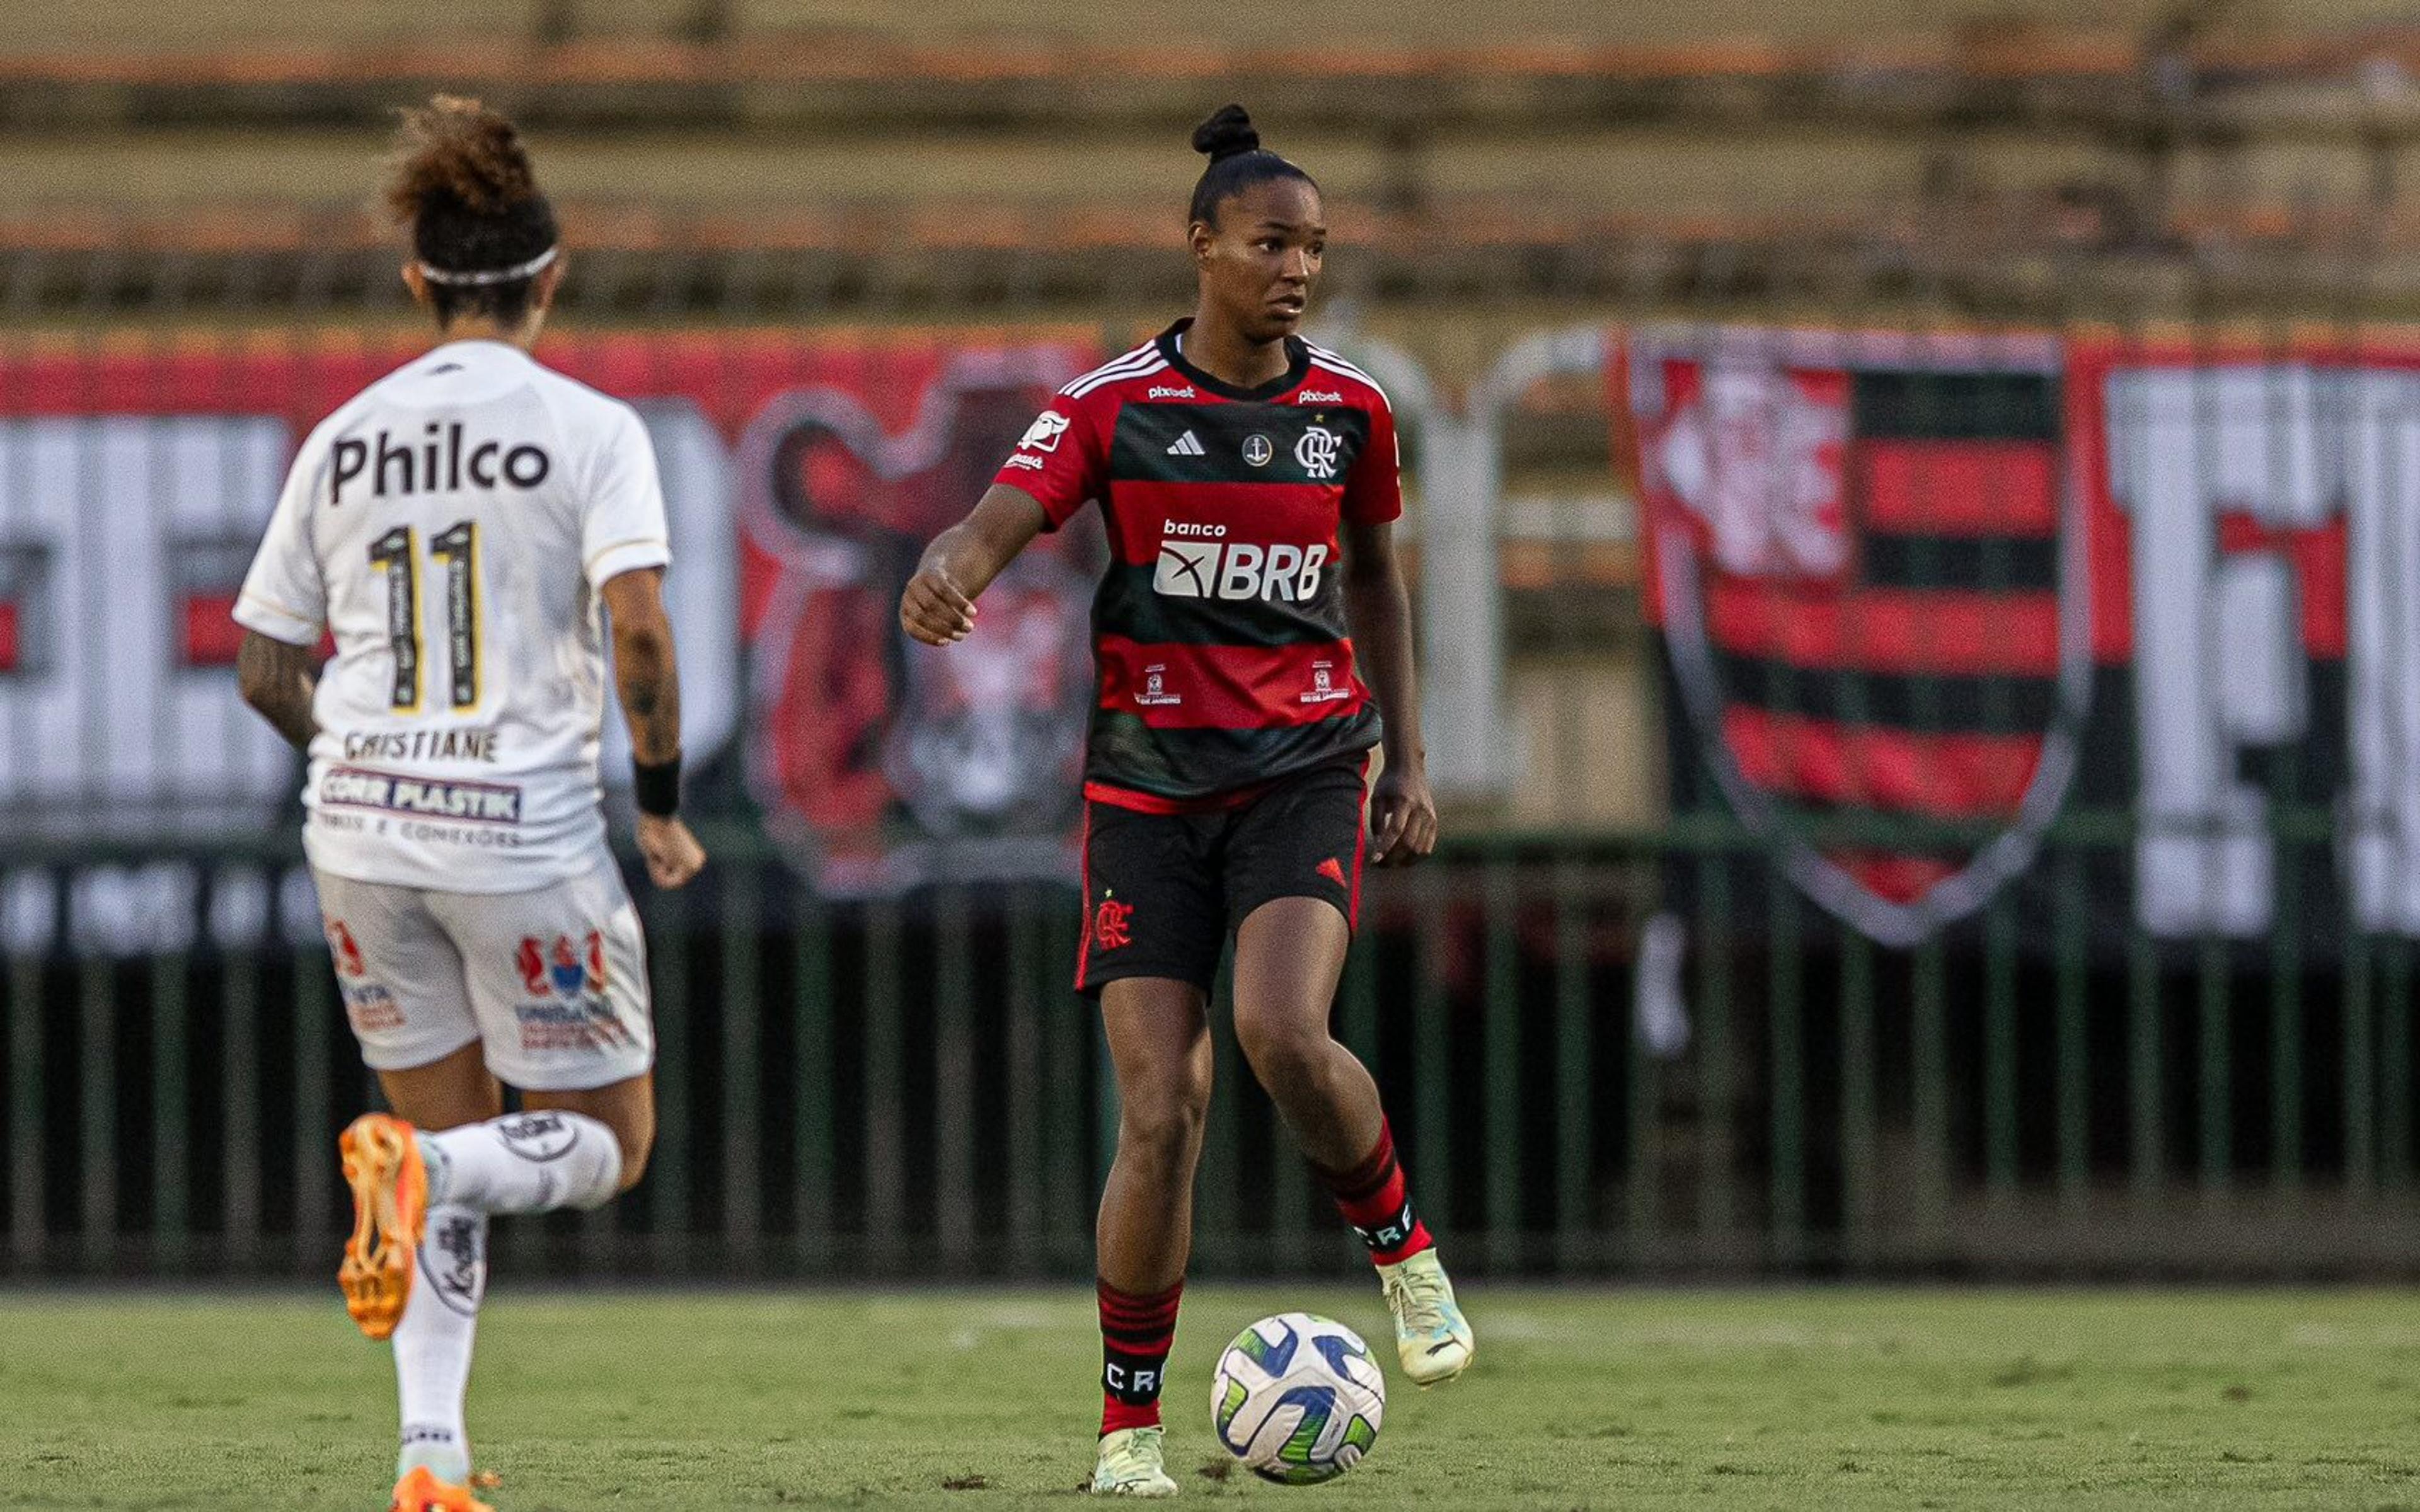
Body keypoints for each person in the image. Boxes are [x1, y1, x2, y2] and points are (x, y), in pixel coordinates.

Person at [900, 103, 1474, 1499]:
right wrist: (952, 574)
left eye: (1316, 249)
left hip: (1303, 773)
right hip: (1147, 796)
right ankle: (1128, 1437)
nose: (1297, 269)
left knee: (1283, 1029)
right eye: (1274, 242)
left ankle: (1402, 1253)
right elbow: (994, 518)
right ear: (1203, 244)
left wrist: (1407, 758)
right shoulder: (1112, 408)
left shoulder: (1349, 412)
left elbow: (1378, 580)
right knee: (1160, 1113)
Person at [233, 95, 705, 1512]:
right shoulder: (590, 428)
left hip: (358, 831)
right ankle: (425, 1179)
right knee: (601, 1147)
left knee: (454, 1140)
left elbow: (265, 663)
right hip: (522, 831)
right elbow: (639, 633)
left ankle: (428, 1458)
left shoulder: (344, 435)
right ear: (549, 279)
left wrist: (353, 759)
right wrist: (665, 801)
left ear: (417, 283)